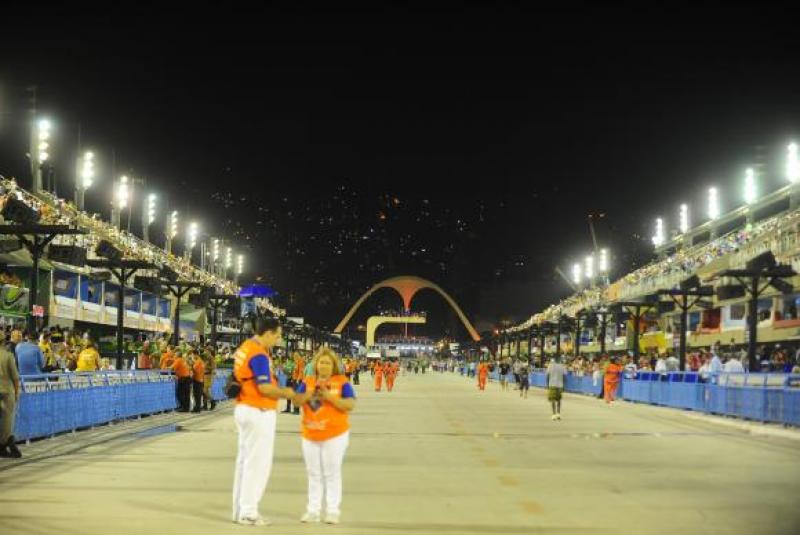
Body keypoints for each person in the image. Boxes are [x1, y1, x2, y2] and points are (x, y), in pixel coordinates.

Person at [231, 316, 295, 526]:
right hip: (257, 409)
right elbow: (265, 387)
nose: (278, 340)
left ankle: (239, 509)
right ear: (268, 333)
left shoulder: (245, 347)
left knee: (244, 462)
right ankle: (249, 512)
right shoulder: (258, 354)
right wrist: (288, 393)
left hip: (244, 407)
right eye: (277, 335)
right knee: (258, 464)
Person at [293, 348, 356, 524]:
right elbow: (296, 400)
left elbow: (350, 404)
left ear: (334, 365)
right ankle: (313, 510)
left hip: (335, 434)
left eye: (328, 362)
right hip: (311, 433)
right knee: (313, 473)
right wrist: (308, 395)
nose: (324, 365)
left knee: (332, 472)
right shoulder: (308, 381)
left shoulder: (342, 382)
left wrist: (329, 397)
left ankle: (332, 510)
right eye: (321, 362)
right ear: (316, 365)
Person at [0, 332, 22, 458]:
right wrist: (17, 393)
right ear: (4, 341)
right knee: (7, 420)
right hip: (6, 392)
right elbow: (15, 377)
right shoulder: (8, 356)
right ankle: (3, 446)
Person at [546, 356, 566, 420]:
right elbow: (564, 376)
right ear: (559, 360)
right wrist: (564, 385)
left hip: (552, 384)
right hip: (560, 385)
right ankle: (558, 414)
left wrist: (547, 385)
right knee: (559, 400)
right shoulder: (562, 366)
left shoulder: (550, 366)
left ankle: (554, 414)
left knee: (552, 400)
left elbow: (547, 375)